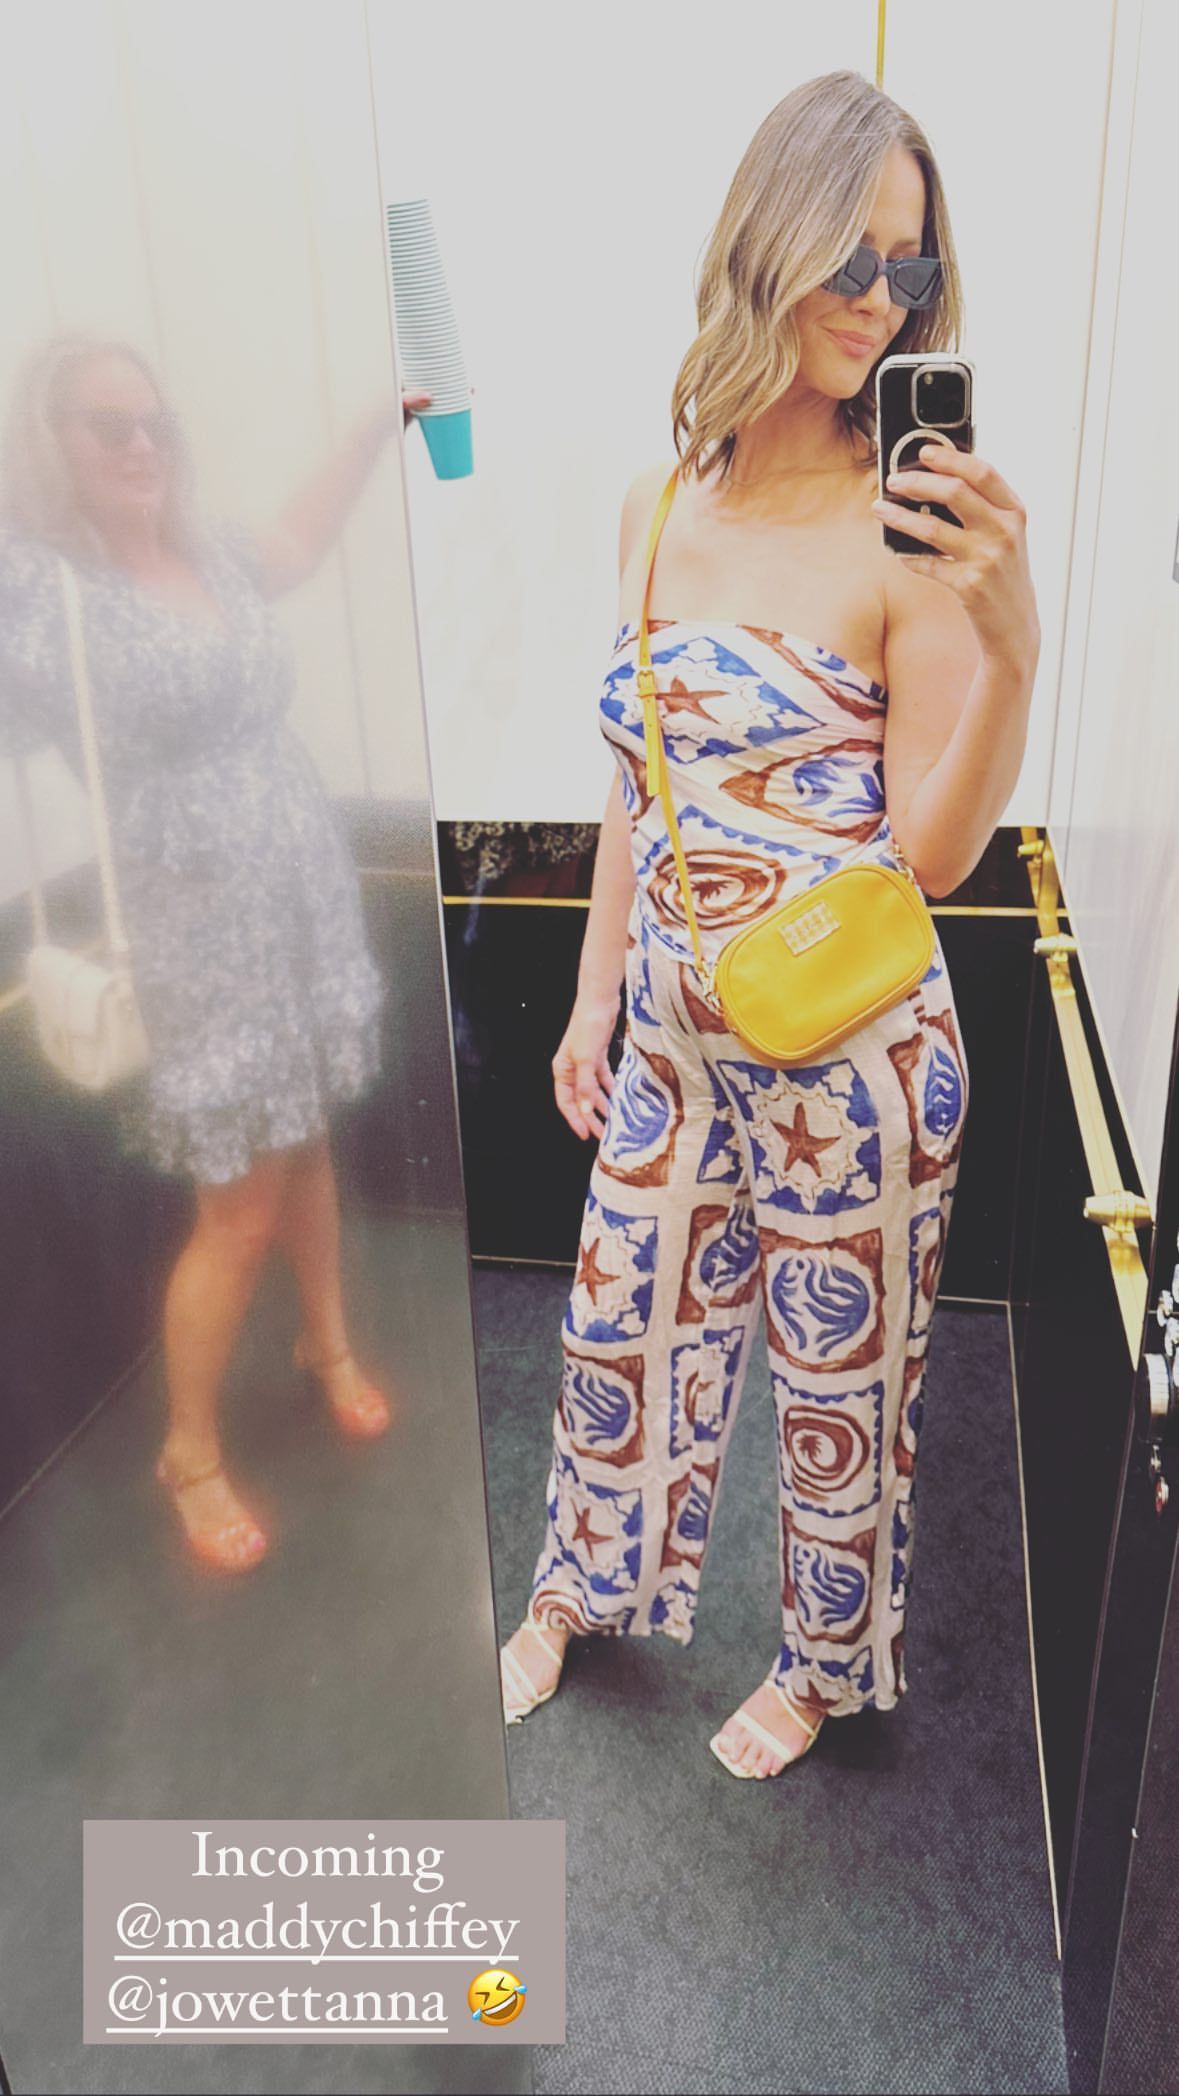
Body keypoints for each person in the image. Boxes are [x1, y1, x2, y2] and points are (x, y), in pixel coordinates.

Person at [498, 70, 1038, 1777]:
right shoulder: (657, 505)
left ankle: (818, 1665)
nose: (878, 301)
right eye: (850, 259)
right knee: (615, 1318)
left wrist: (1011, 654)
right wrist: (592, 992)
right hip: (671, 1025)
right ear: (767, 241)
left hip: (852, 1047)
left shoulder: (902, 529)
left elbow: (929, 855)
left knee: (837, 1398)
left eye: (908, 270)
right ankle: (578, 1585)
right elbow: (635, 779)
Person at [0, 333, 432, 1575]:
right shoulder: (47, 593)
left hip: (298, 895)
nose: (141, 444)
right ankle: (188, 1448)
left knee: (309, 1136)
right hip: (196, 926)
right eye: (108, 425)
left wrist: (375, 424)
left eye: (154, 423)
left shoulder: (208, 550)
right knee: (236, 1202)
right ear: (52, 444)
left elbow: (293, 538)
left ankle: (326, 1340)